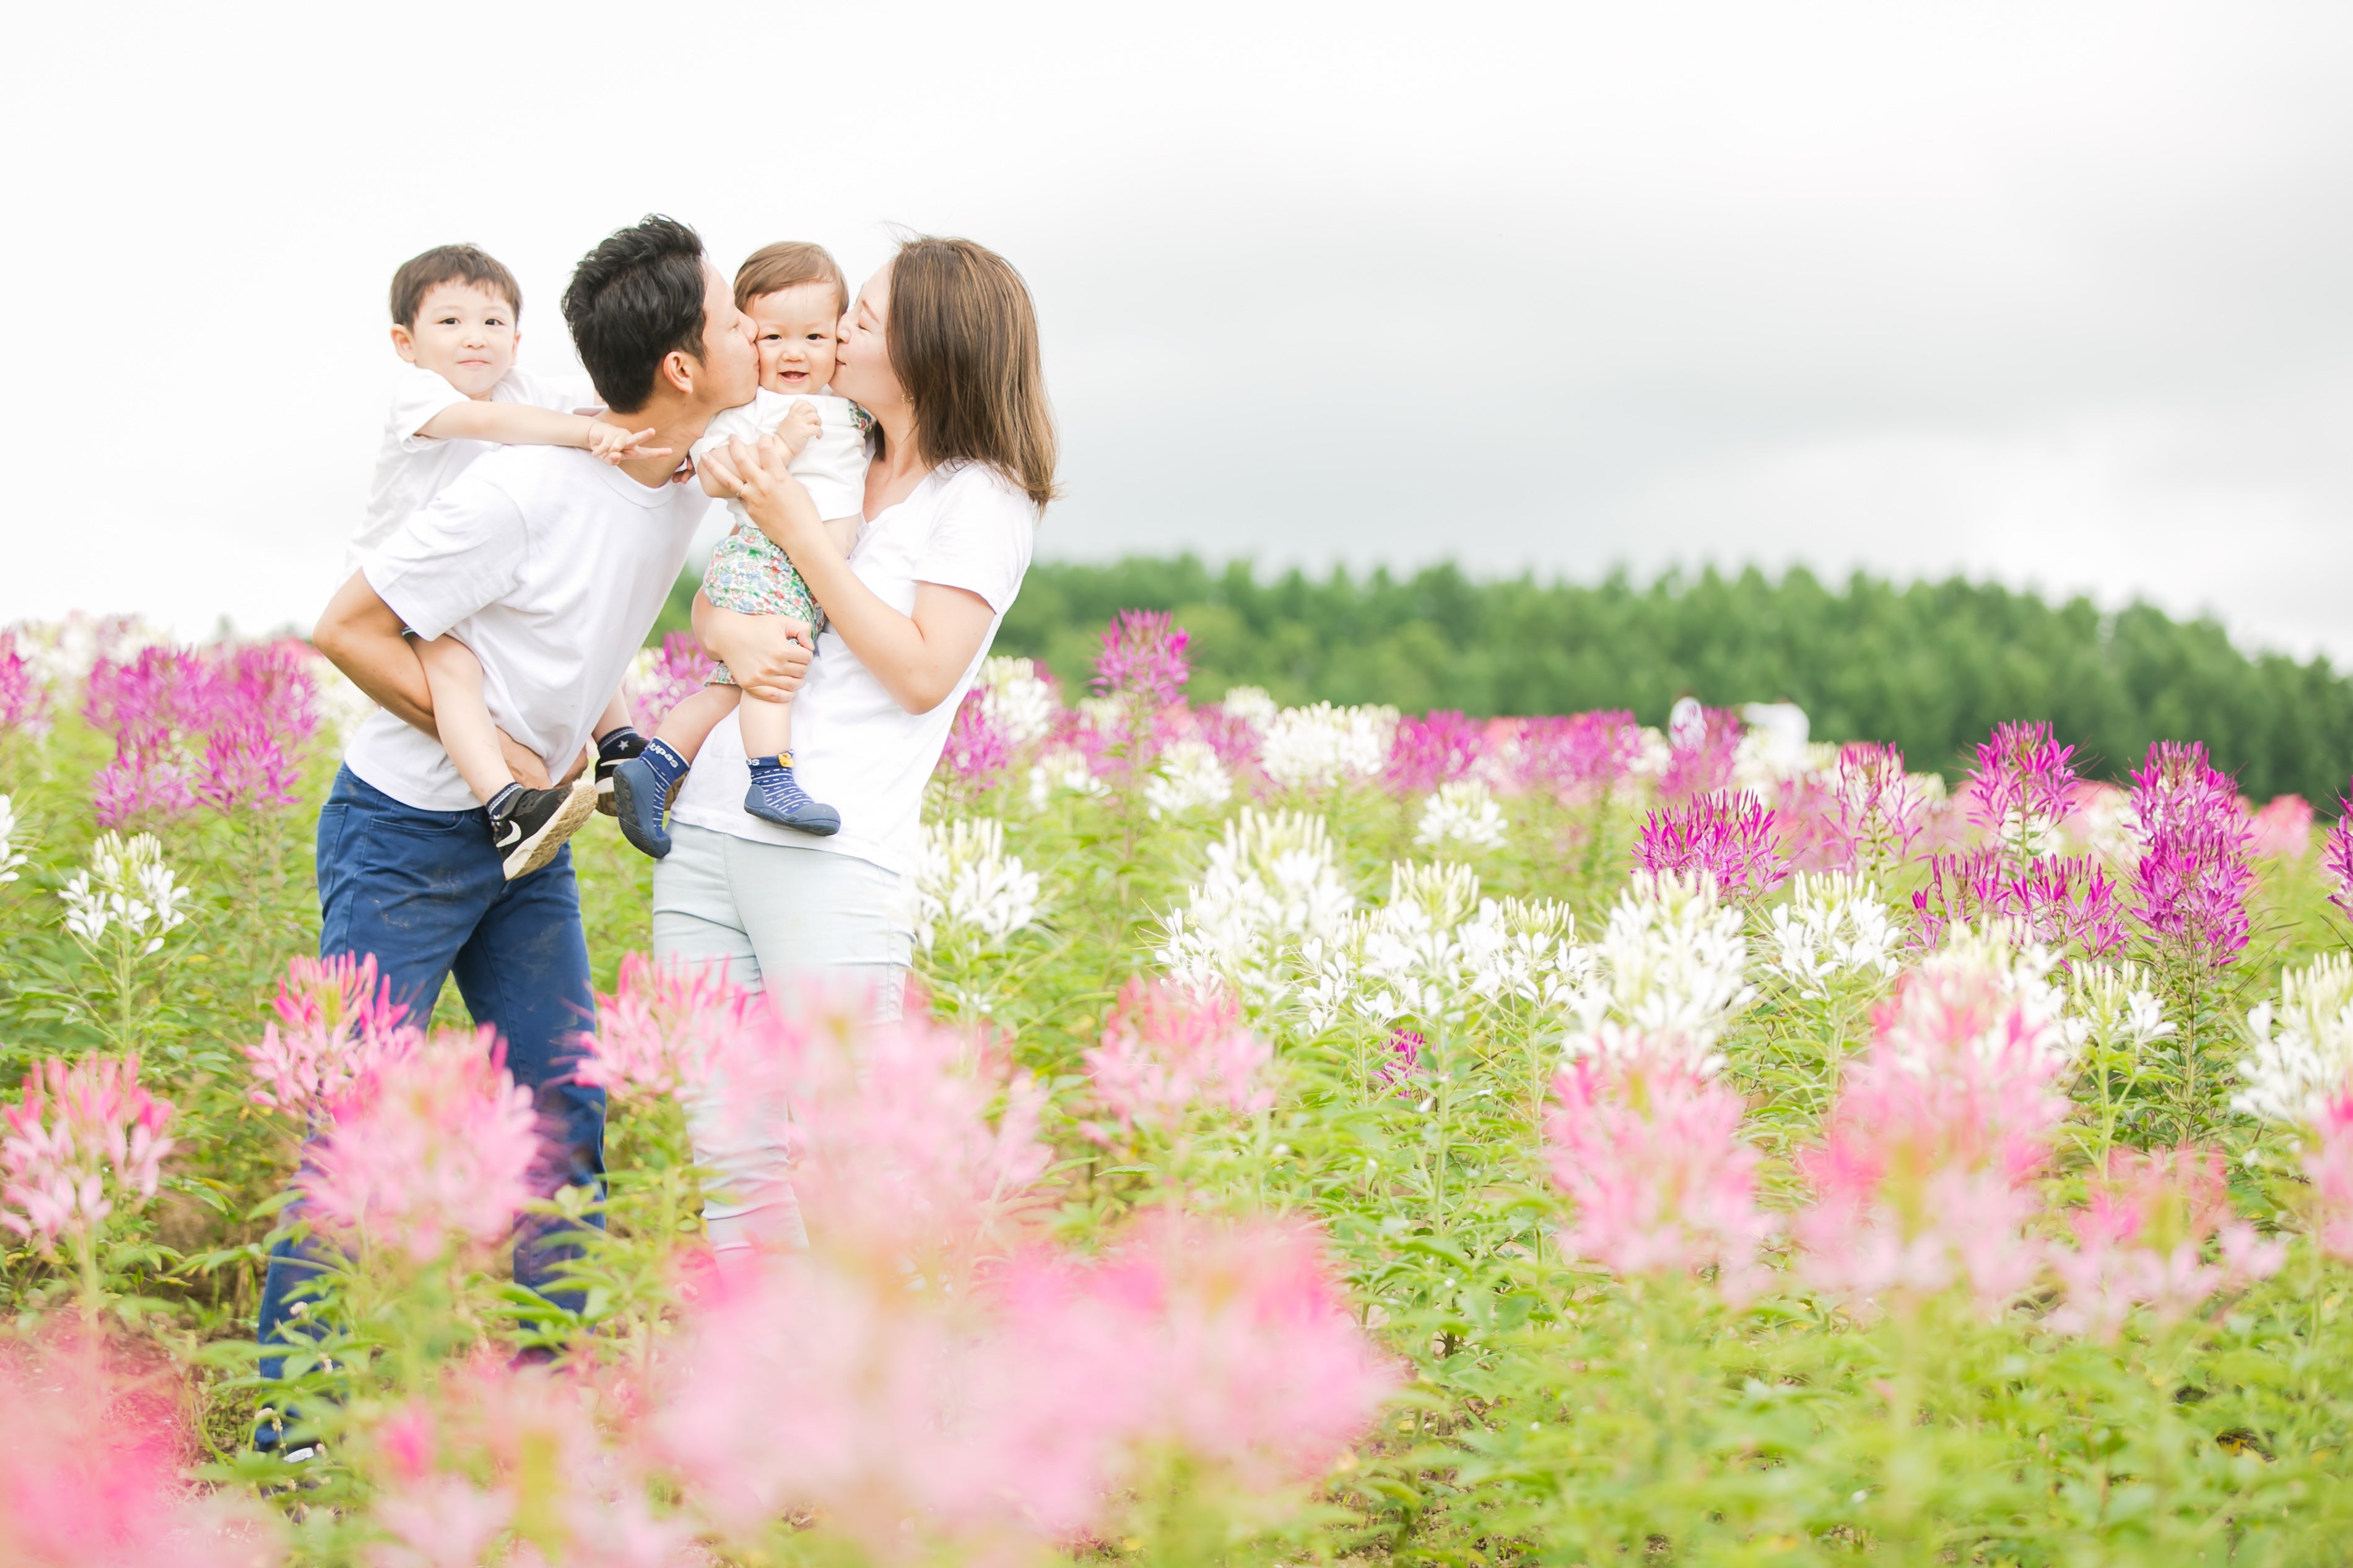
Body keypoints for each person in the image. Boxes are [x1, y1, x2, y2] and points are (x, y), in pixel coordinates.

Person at [258, 215, 772, 1449]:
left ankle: (542, 1410)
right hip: (403, 833)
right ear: (683, 369)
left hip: (528, 853)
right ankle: (294, 1422)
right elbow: (347, 629)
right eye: (733, 317)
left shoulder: (682, 473)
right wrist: (489, 757)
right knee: (359, 1112)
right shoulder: (523, 490)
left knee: (562, 1105)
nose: (757, 328)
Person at [657, 234, 1056, 1252]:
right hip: (707, 833)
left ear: (930, 346)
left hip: (831, 854)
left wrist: (796, 533)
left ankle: (885, 1404)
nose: (837, 336)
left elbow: (923, 670)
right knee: (734, 1161)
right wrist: (726, 627)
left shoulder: (982, 497)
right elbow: (721, 599)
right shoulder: (834, 454)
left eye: (865, 320)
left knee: (851, 1163)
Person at [358, 243, 674, 876]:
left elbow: (597, 404)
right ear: (405, 341)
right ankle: (507, 803)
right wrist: (586, 434)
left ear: (518, 338)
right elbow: (491, 422)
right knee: (452, 666)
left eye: (493, 322)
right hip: (407, 592)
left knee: (572, 617)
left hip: (475, 585)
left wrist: (663, 432)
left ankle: (615, 745)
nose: (475, 337)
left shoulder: (522, 388)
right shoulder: (419, 397)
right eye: (449, 322)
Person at [611, 242, 872, 855]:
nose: (793, 352)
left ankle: (653, 768)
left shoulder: (849, 407)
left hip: (803, 577)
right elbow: (715, 478)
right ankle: (771, 779)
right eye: (772, 336)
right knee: (771, 675)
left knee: (730, 686)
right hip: (764, 559)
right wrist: (780, 444)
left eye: (814, 335)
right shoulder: (745, 412)